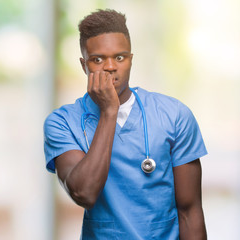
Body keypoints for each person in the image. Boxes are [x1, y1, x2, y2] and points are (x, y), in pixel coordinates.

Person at [43, 9, 208, 239]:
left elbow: (189, 211)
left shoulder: (174, 115)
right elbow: (84, 193)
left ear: (131, 59)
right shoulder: (62, 123)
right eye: (98, 59)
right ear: (84, 65)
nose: (110, 67)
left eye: (119, 57)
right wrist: (109, 111)